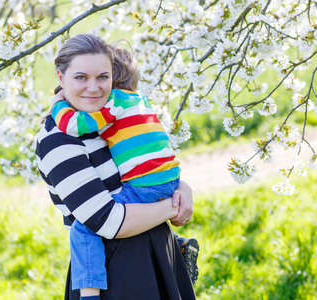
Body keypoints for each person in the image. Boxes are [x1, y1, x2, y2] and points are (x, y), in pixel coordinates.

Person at [35, 34, 197, 300]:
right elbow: (106, 221)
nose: (94, 87)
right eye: (80, 77)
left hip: (157, 251)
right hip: (115, 271)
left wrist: (182, 186)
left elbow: (146, 169)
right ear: (61, 78)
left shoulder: (108, 121)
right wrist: (175, 204)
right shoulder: (58, 140)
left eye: (102, 77)